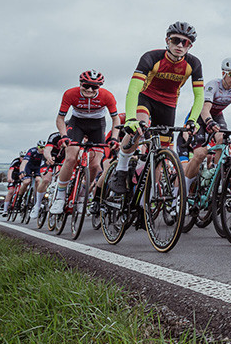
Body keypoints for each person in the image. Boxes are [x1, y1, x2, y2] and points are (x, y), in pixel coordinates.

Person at [109, 22, 209, 197]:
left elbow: (199, 96)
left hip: (168, 105)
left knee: (160, 154)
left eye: (185, 42)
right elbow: (133, 89)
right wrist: (131, 118)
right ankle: (121, 169)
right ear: (167, 40)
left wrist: (192, 120)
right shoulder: (151, 57)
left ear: (190, 46)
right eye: (176, 40)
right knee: (138, 128)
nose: (180, 45)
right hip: (146, 98)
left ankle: (145, 200)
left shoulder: (193, 63)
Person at [177, 57, 231, 197]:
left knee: (223, 139)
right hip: (200, 115)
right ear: (224, 73)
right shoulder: (213, 85)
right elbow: (205, 109)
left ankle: (216, 179)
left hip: (217, 115)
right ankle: (183, 194)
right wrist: (209, 121)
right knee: (200, 154)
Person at [48, 70, 119, 214]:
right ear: (80, 84)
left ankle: (82, 195)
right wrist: (63, 135)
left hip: (97, 125)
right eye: (86, 86)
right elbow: (60, 118)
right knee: (71, 158)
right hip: (77, 124)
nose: (90, 90)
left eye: (95, 87)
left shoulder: (107, 96)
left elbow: (115, 119)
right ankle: (60, 197)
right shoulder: (70, 94)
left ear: (99, 87)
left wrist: (114, 138)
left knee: (95, 166)